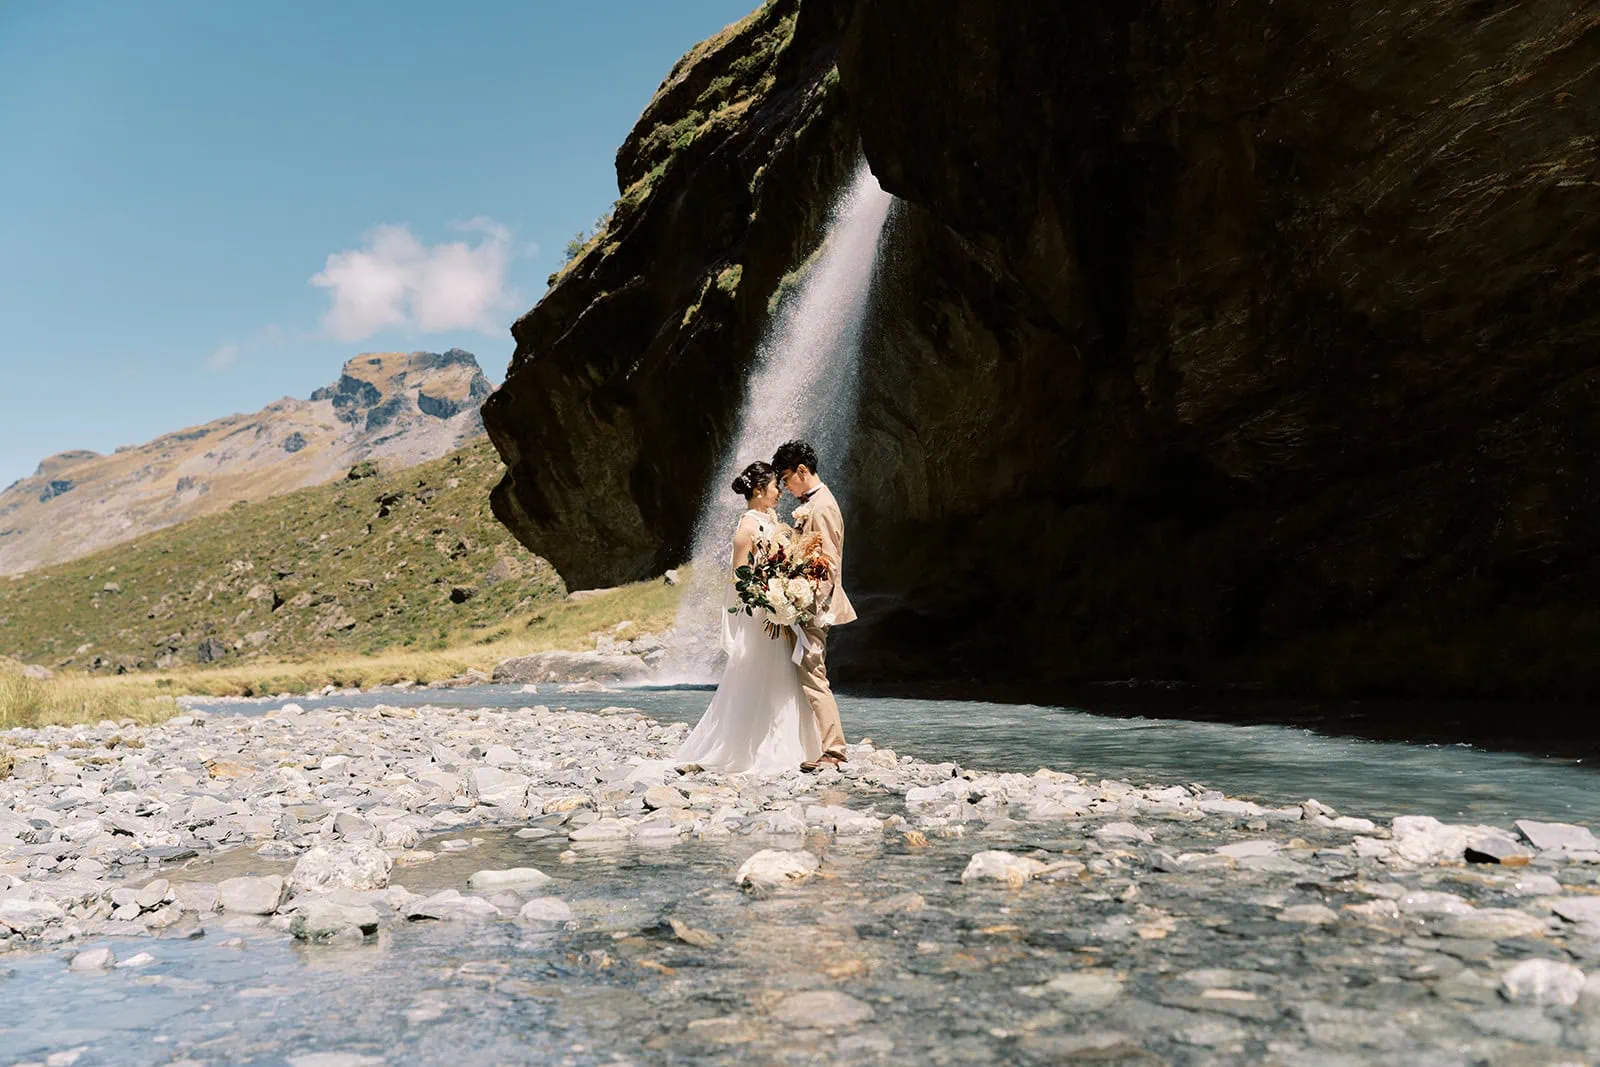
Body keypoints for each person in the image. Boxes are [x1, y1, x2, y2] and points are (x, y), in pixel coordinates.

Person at [674, 461, 822, 773]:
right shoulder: (746, 530)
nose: (779, 491)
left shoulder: (771, 520)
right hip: (761, 616)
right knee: (763, 675)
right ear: (758, 490)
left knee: (784, 676)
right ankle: (754, 744)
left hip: (779, 611)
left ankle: (792, 742)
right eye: (774, 486)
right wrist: (772, 600)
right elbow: (741, 582)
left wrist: (788, 590)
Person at [771, 439, 855, 772]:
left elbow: (829, 562)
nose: (786, 487)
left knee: (814, 674)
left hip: (813, 606)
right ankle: (806, 742)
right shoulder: (813, 503)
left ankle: (834, 751)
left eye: (787, 478)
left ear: (803, 471)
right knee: (805, 672)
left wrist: (803, 602)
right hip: (803, 602)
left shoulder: (822, 506)